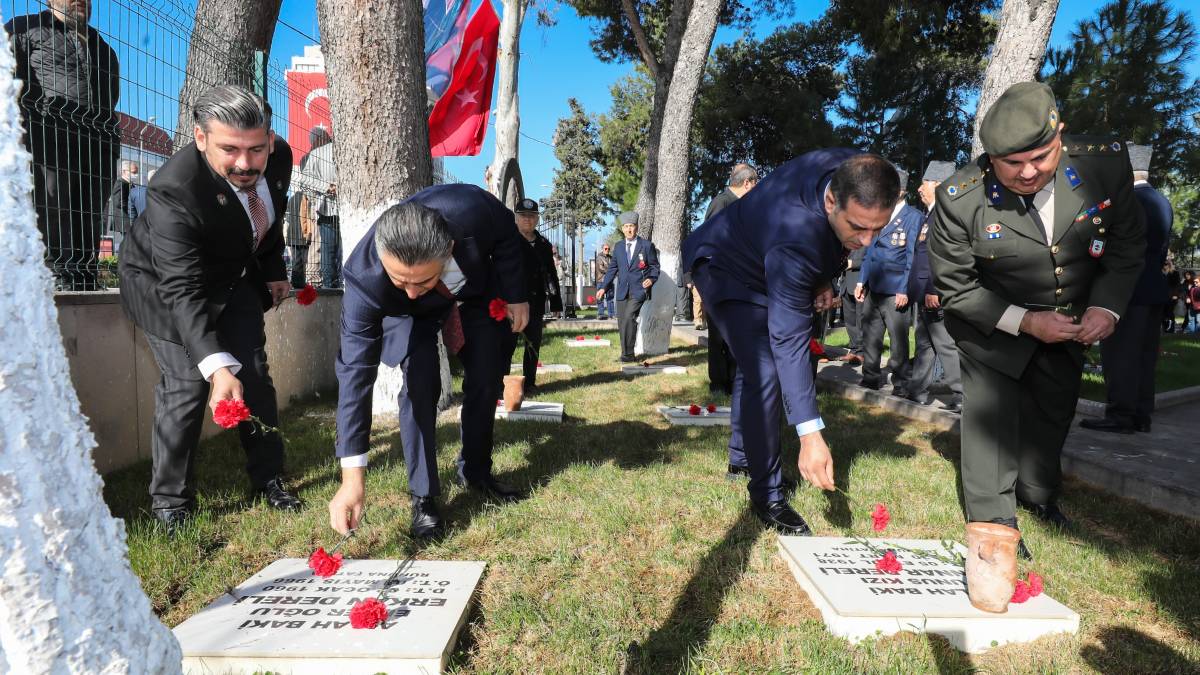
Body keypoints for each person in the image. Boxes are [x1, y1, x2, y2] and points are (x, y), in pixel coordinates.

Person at [929, 82, 1144, 558]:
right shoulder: (959, 199)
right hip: (992, 324)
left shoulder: (1103, 164)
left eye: (1041, 158)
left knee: (1053, 409)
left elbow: (1127, 245)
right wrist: (1026, 322)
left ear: (1060, 136)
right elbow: (958, 288)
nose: (1028, 173)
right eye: (1012, 164)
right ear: (990, 158)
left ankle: (1038, 495)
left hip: (1070, 319)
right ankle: (993, 521)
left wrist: (1105, 307)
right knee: (992, 419)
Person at [682, 150, 900, 534]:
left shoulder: (850, 167)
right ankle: (767, 494)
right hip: (725, 267)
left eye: (877, 230)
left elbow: (832, 242)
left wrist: (824, 278)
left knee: (756, 371)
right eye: (858, 228)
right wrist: (810, 433)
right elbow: (789, 340)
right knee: (764, 368)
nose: (866, 241)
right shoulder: (796, 239)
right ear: (831, 200)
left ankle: (741, 455)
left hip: (765, 254)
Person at [118, 85, 302, 530]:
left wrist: (274, 269)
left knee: (253, 373)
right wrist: (217, 367)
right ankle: (171, 504)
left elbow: (268, 217)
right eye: (229, 150)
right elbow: (183, 289)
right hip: (164, 284)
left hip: (233, 275)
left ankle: (269, 477)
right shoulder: (174, 190)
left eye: (256, 148)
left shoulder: (277, 159)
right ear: (200, 139)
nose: (245, 163)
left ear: (270, 139)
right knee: (187, 383)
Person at [327, 185, 530, 539]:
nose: (410, 289)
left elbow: (509, 238)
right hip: (409, 318)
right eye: (399, 279)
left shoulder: (473, 209)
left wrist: (515, 296)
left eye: (420, 279)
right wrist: (352, 479)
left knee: (486, 374)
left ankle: (476, 470)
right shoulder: (365, 282)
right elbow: (354, 378)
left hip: (472, 294)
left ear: (449, 248)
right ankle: (423, 497)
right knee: (421, 385)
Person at [7, 0, 120, 290]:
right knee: (51, 209)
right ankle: (55, 277)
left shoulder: (103, 47)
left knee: (91, 212)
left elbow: (111, 96)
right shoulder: (26, 29)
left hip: (96, 147)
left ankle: (84, 278)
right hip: (47, 140)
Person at [1079, 144, 1171, 434]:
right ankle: (1141, 414)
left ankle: (1121, 414)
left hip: (1128, 289)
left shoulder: (1131, 201)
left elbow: (1122, 246)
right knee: (1144, 357)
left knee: (1121, 355)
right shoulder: (1161, 201)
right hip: (1153, 287)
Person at [855, 168, 923, 397]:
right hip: (874, 285)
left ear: (901, 191)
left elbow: (913, 256)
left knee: (898, 341)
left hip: (896, 289)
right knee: (871, 336)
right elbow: (870, 250)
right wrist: (861, 281)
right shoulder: (880, 212)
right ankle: (870, 377)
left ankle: (902, 383)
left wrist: (905, 289)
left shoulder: (913, 217)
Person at [906, 160, 963, 413]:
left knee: (944, 344)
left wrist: (933, 289)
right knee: (925, 343)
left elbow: (940, 256)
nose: (919, 188)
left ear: (939, 185)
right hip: (924, 292)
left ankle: (963, 395)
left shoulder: (944, 213)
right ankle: (917, 389)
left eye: (925, 183)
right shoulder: (932, 212)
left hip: (934, 292)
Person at [700, 163, 759, 394]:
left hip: (740, 279)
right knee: (718, 336)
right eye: (755, 184)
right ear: (747, 183)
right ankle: (718, 382)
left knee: (736, 335)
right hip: (720, 280)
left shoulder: (742, 204)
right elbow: (711, 242)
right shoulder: (722, 203)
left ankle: (735, 380)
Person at [507, 198, 562, 392]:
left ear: (537, 219)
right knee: (507, 345)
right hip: (511, 303)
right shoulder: (508, 241)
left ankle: (529, 383)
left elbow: (551, 275)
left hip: (535, 302)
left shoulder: (544, 245)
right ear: (516, 218)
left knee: (533, 345)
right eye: (523, 216)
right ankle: (502, 383)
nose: (527, 220)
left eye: (531, 216)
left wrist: (556, 304)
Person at [596, 212, 660, 362]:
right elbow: (612, 269)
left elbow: (655, 267)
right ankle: (625, 353)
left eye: (631, 226)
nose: (629, 230)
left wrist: (651, 279)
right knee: (622, 322)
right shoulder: (618, 247)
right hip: (622, 291)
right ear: (622, 229)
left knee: (629, 318)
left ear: (636, 227)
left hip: (639, 290)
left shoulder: (646, 245)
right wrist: (603, 287)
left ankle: (628, 355)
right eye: (626, 227)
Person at [298, 127, 340, 288]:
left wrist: (318, 196)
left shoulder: (315, 155)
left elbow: (304, 182)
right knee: (332, 252)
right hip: (331, 210)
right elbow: (305, 182)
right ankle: (337, 286)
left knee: (327, 252)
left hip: (326, 209)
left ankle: (330, 287)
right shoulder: (317, 154)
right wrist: (326, 188)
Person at [837, 248, 867, 364]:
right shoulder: (848, 238)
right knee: (849, 321)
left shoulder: (868, 237)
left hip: (860, 284)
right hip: (846, 285)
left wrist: (852, 264)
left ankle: (862, 352)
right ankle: (854, 350)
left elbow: (870, 260)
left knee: (861, 320)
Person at [283, 188, 315, 289]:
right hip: (302, 234)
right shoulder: (305, 199)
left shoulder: (291, 199)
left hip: (292, 235)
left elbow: (287, 217)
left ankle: (295, 282)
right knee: (303, 261)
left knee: (296, 261)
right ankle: (300, 283)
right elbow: (309, 217)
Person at [104, 160, 138, 238]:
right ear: (124, 171)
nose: (136, 175)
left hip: (131, 219)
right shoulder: (120, 183)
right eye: (133, 172)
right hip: (125, 220)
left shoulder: (131, 184)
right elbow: (118, 202)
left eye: (136, 172)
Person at [594, 243, 615, 319]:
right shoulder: (599, 258)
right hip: (601, 280)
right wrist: (611, 271)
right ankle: (601, 314)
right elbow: (601, 268)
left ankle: (611, 314)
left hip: (609, 281)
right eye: (605, 249)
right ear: (602, 249)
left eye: (608, 249)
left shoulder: (611, 258)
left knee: (610, 298)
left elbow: (615, 267)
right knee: (600, 298)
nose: (607, 250)